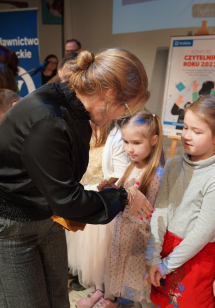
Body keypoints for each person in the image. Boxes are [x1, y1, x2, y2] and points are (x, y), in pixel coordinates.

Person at [0, 48, 152, 308]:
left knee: (59, 300)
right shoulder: (48, 119)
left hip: (46, 218)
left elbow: (60, 178)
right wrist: (123, 197)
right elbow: (67, 201)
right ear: (110, 93)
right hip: (14, 228)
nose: (120, 116)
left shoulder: (75, 108)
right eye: (124, 108)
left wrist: (102, 192)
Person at [79, 110, 164, 308]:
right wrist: (112, 190)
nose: (129, 149)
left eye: (136, 143)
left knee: (142, 290)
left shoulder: (155, 174)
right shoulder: (131, 167)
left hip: (139, 241)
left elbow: (150, 213)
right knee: (124, 279)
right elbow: (126, 195)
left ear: (153, 140)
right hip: (124, 234)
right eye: (126, 142)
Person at [144, 95, 215, 308]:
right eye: (185, 127)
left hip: (195, 255)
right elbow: (160, 212)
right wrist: (153, 257)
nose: (187, 136)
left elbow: (204, 232)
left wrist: (167, 265)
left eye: (197, 131)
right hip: (165, 250)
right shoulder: (174, 164)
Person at [67, 122, 130, 291]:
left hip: (99, 194)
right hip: (79, 191)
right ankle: (81, 272)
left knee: (96, 246)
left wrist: (106, 184)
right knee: (76, 243)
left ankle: (97, 283)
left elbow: (121, 172)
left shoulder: (115, 136)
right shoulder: (79, 129)